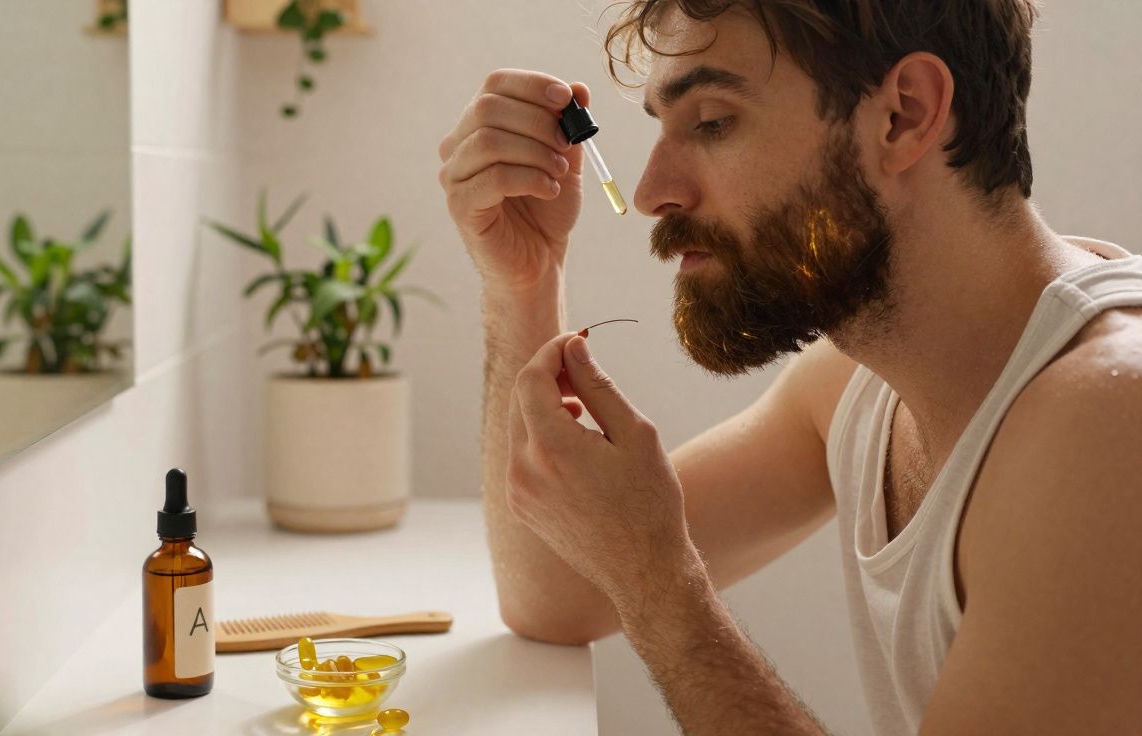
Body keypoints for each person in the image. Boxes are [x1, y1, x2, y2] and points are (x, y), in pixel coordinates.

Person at [437, 1, 1142, 733]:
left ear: (903, 114)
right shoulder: (861, 384)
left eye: (712, 122)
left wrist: (662, 585)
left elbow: (612, 586)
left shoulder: (1108, 426)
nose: (651, 194)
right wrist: (524, 280)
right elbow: (556, 593)